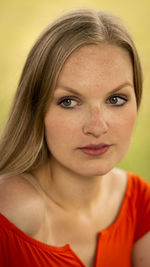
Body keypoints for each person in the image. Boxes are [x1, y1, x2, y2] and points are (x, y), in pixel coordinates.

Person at [0, 8, 149, 267]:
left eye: (116, 99)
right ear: (35, 108)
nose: (97, 127)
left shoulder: (138, 200)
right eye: (69, 101)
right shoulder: (11, 211)